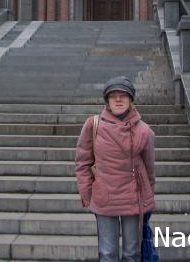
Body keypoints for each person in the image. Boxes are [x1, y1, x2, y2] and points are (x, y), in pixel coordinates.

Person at [75, 76, 155, 262]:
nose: (118, 100)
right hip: (105, 197)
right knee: (107, 253)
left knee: (132, 253)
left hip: (133, 198)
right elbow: (82, 162)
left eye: (123, 96)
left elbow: (150, 169)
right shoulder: (93, 125)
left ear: (131, 100)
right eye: (113, 96)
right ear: (107, 101)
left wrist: (147, 197)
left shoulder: (144, 131)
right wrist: (87, 193)